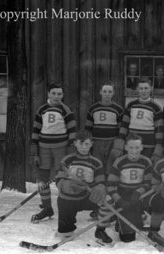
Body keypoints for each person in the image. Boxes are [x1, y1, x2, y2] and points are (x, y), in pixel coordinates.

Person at [30, 83, 77, 222]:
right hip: (44, 149)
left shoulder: (65, 110)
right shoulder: (42, 110)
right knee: (42, 179)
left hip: (61, 149)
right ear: (48, 94)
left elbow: (72, 131)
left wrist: (70, 152)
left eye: (59, 94)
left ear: (63, 95)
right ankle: (46, 208)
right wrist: (34, 152)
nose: (57, 96)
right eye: (54, 93)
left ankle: (66, 209)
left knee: (62, 179)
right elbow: (35, 131)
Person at [55, 130, 110, 243]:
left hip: (86, 196)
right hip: (68, 198)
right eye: (81, 143)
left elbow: (101, 181)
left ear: (91, 144)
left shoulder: (96, 162)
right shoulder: (67, 160)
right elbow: (58, 180)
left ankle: (100, 230)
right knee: (65, 234)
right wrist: (67, 185)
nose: (84, 147)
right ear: (75, 143)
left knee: (108, 201)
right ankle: (66, 229)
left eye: (87, 144)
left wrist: (100, 188)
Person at [105, 133, 152, 243]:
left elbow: (148, 183)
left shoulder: (146, 162)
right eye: (131, 147)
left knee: (139, 222)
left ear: (141, 147)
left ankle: (140, 214)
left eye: (137, 147)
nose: (134, 151)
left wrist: (139, 191)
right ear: (126, 147)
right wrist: (119, 200)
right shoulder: (120, 162)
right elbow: (111, 185)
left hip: (139, 195)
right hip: (124, 195)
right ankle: (121, 219)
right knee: (127, 238)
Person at [113, 77, 164, 164]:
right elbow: (124, 125)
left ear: (151, 88)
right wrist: (120, 141)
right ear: (137, 89)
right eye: (141, 88)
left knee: (146, 166)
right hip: (132, 144)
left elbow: (159, 129)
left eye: (146, 88)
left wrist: (158, 146)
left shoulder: (156, 107)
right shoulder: (131, 105)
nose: (143, 91)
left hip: (148, 144)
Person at [84, 81, 124, 173]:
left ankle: (109, 183)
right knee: (98, 164)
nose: (107, 94)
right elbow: (88, 128)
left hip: (112, 141)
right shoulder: (93, 108)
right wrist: (89, 142)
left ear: (113, 93)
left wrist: (118, 143)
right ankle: (99, 183)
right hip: (97, 141)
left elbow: (121, 128)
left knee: (111, 164)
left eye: (110, 92)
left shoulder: (118, 109)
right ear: (100, 92)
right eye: (105, 91)